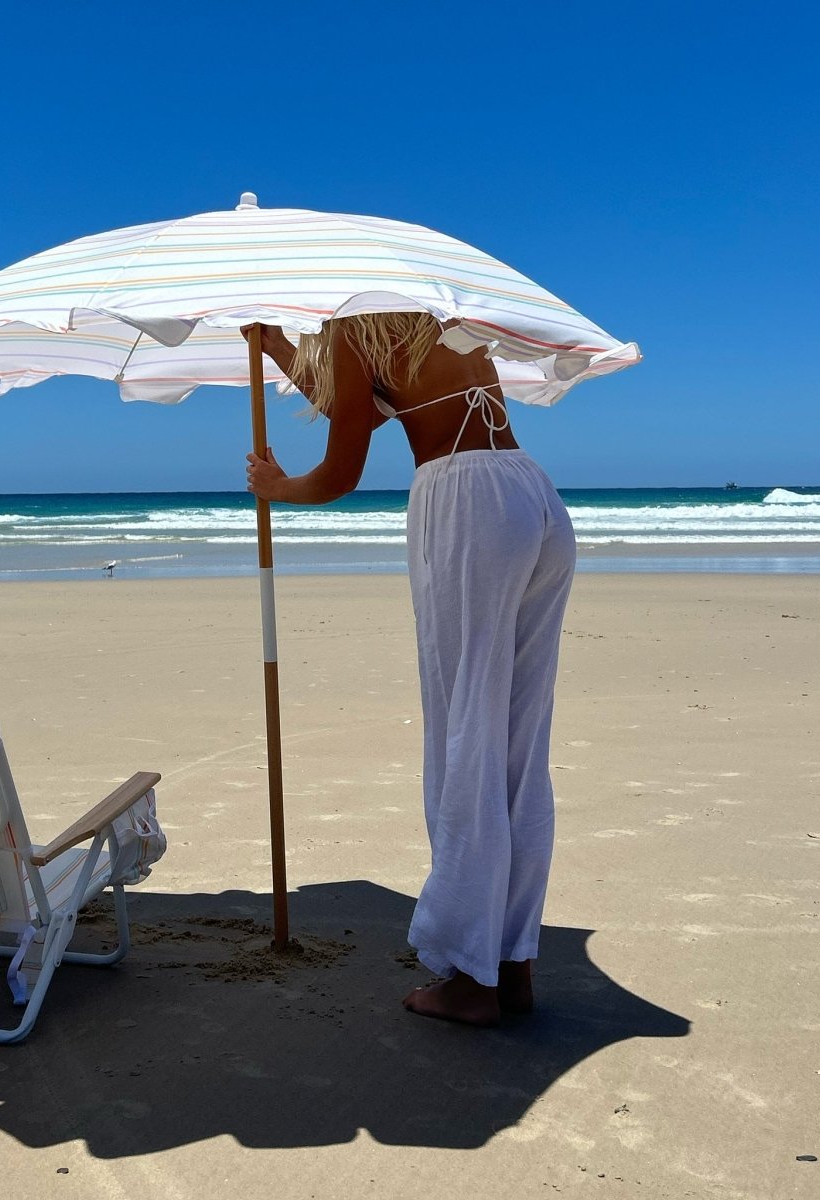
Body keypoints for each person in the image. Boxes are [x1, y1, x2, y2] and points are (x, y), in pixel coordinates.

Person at [244, 313, 576, 1027]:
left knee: (464, 737)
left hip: (468, 506)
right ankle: (510, 962)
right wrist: (276, 349)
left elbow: (341, 470)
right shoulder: (430, 322)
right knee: (517, 745)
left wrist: (278, 486)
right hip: (533, 498)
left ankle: (469, 976)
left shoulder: (351, 328)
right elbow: (358, 402)